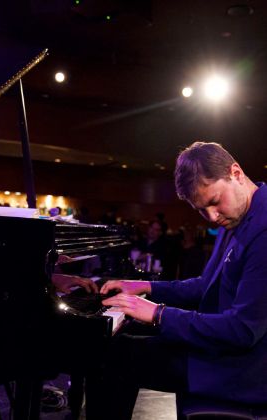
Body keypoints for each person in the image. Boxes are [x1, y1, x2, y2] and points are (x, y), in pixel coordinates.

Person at [87, 141, 267, 419]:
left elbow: (242, 331)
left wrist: (158, 313)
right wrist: (146, 287)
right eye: (201, 210)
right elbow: (205, 286)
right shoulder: (237, 216)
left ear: (236, 173)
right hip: (222, 350)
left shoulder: (263, 229)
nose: (212, 217)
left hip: (245, 369)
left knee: (114, 357)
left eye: (214, 202)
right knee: (117, 341)